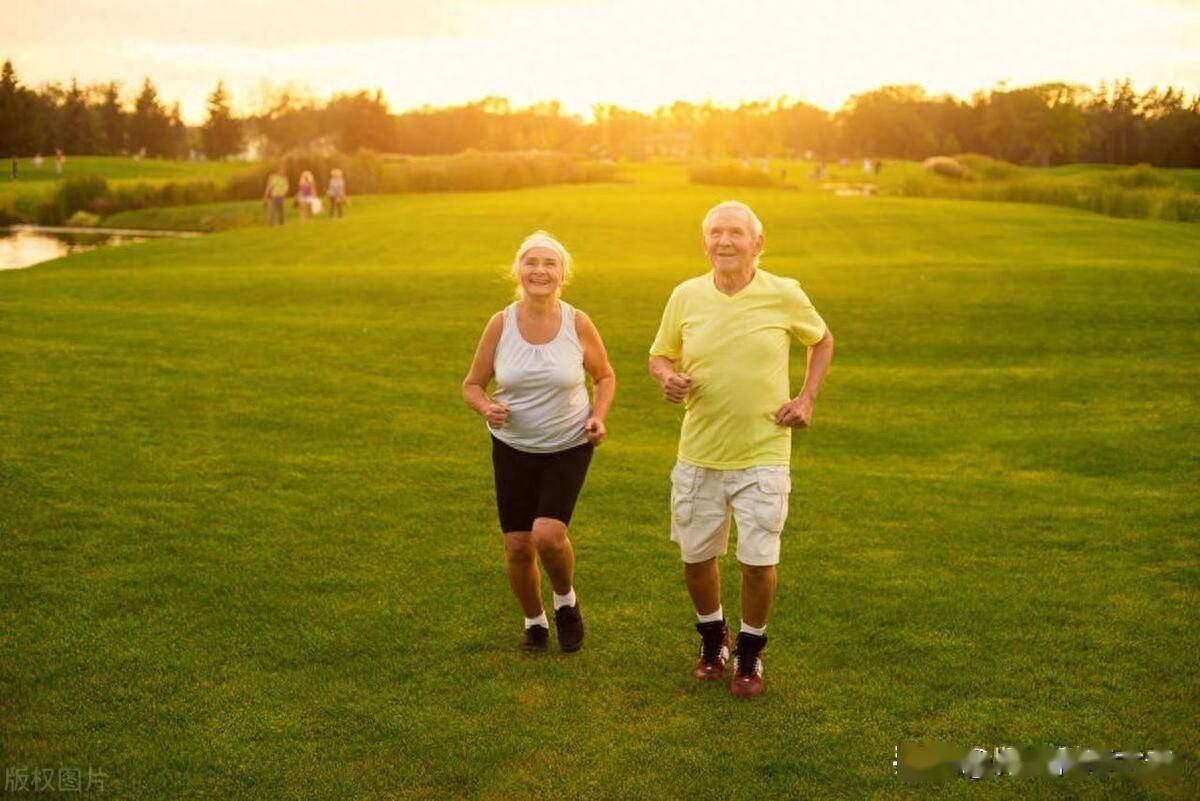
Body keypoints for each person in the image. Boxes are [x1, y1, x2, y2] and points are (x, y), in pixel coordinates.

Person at [648, 200, 834, 698]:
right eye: (715, 233)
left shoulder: (784, 293)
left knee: (757, 561)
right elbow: (659, 354)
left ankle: (750, 654)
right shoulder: (685, 295)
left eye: (735, 232)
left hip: (764, 451)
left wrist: (806, 397)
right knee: (696, 556)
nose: (724, 241)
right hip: (699, 452)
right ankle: (713, 639)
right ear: (704, 241)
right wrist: (667, 377)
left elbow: (822, 340)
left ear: (758, 242)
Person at [462, 231, 616, 653]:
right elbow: (472, 385)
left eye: (550, 264)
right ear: (518, 271)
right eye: (532, 263)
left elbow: (604, 376)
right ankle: (535, 623)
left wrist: (598, 417)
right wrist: (485, 408)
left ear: (562, 273)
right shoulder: (501, 323)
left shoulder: (577, 322)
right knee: (516, 546)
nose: (540, 271)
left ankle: (566, 602)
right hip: (513, 447)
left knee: (547, 535)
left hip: (568, 444)